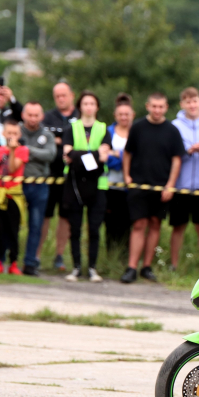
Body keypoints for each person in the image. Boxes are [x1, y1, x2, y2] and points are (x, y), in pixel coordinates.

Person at [121, 93, 184, 283]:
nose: (157, 110)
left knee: (155, 224)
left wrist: (170, 185)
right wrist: (126, 176)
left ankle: (146, 266)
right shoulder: (138, 127)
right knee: (139, 224)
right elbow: (127, 153)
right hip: (139, 185)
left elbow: (177, 159)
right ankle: (131, 267)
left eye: (161, 107)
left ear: (166, 108)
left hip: (162, 187)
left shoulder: (172, 131)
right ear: (148, 106)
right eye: (154, 106)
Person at [61, 91, 112, 282]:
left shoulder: (103, 128)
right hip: (74, 184)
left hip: (98, 184)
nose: (89, 107)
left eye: (92, 103)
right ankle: (76, 267)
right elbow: (67, 156)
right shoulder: (71, 128)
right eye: (85, 103)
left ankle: (92, 267)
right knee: (75, 227)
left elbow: (105, 156)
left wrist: (78, 155)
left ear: (97, 107)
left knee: (94, 228)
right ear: (80, 106)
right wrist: (93, 156)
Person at [170, 87, 199, 270]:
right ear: (182, 104)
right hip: (181, 184)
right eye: (188, 101)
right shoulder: (175, 126)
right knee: (178, 226)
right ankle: (173, 265)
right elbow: (172, 152)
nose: (192, 105)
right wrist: (188, 149)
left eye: (194, 101)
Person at [41, 82, 80, 272]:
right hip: (49, 174)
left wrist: (60, 139)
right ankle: (37, 256)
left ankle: (59, 255)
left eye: (64, 95)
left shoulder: (79, 116)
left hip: (70, 177)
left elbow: (76, 142)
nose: (61, 99)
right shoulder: (48, 116)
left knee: (65, 217)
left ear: (72, 95)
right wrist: (65, 139)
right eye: (57, 96)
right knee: (45, 215)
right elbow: (46, 140)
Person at [19, 102, 57, 276]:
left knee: (36, 225)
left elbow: (50, 155)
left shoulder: (47, 134)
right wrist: (35, 153)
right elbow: (10, 151)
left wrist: (26, 151)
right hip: (17, 184)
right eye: (30, 114)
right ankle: (6, 261)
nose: (33, 118)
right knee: (11, 224)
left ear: (42, 116)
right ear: (23, 115)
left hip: (40, 185)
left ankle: (30, 263)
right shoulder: (17, 130)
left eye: (36, 115)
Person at [0, 118, 28, 275]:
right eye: (9, 133)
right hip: (0, 195)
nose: (12, 136)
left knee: (13, 231)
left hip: (14, 196)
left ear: (19, 134)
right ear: (3, 133)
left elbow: (12, 168)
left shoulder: (22, 150)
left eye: (15, 133)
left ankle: (13, 263)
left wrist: (12, 150)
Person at [104, 93, 134, 250]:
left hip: (129, 186)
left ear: (132, 115)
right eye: (121, 114)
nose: (124, 117)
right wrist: (124, 157)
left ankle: (123, 256)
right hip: (110, 184)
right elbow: (105, 158)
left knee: (127, 223)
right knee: (110, 223)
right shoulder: (108, 131)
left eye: (127, 114)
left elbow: (138, 157)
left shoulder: (137, 132)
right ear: (115, 115)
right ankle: (109, 254)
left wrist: (118, 154)